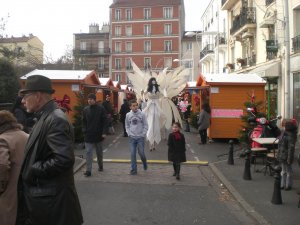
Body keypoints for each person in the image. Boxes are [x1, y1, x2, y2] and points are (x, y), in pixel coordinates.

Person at [16, 75, 83, 225]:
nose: (22, 100)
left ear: (38, 96)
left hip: (53, 205)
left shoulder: (55, 119)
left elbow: (63, 159)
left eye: (25, 95)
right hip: (48, 202)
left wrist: (34, 168)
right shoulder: (46, 116)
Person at [0, 110, 28, 225]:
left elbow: (2, 165)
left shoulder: (3, 139)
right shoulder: (26, 136)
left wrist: (1, 187)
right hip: (28, 191)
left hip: (10, 193)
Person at [82, 93, 106, 177]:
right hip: (88, 135)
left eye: (91, 99)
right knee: (88, 152)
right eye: (88, 99)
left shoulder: (101, 109)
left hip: (98, 135)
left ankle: (100, 165)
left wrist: (103, 132)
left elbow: (104, 121)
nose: (89, 100)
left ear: (95, 100)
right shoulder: (85, 109)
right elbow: (84, 121)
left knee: (99, 153)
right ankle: (88, 170)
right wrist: (84, 130)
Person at [142, 77, 166, 151]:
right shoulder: (148, 88)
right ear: (150, 82)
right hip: (150, 105)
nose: (153, 82)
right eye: (152, 81)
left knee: (156, 125)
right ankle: (151, 144)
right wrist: (142, 94)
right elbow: (143, 94)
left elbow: (163, 94)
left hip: (157, 105)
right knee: (150, 125)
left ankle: (154, 144)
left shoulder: (158, 88)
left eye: (154, 81)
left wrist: (165, 93)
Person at [125, 99, 148, 175]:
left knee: (141, 153)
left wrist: (143, 134)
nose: (135, 107)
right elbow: (127, 125)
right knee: (132, 154)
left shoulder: (142, 114)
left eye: (136, 105)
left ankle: (144, 162)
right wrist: (129, 133)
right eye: (133, 106)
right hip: (132, 138)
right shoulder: (128, 115)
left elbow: (145, 125)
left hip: (140, 138)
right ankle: (133, 169)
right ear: (130, 107)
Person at [277, 118, 298, 191]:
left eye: (283, 125)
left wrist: (289, 159)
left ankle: (287, 185)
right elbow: (280, 146)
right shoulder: (284, 133)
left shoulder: (289, 135)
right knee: (283, 171)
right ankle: (283, 184)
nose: (282, 126)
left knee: (287, 171)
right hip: (283, 155)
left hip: (286, 156)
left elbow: (290, 149)